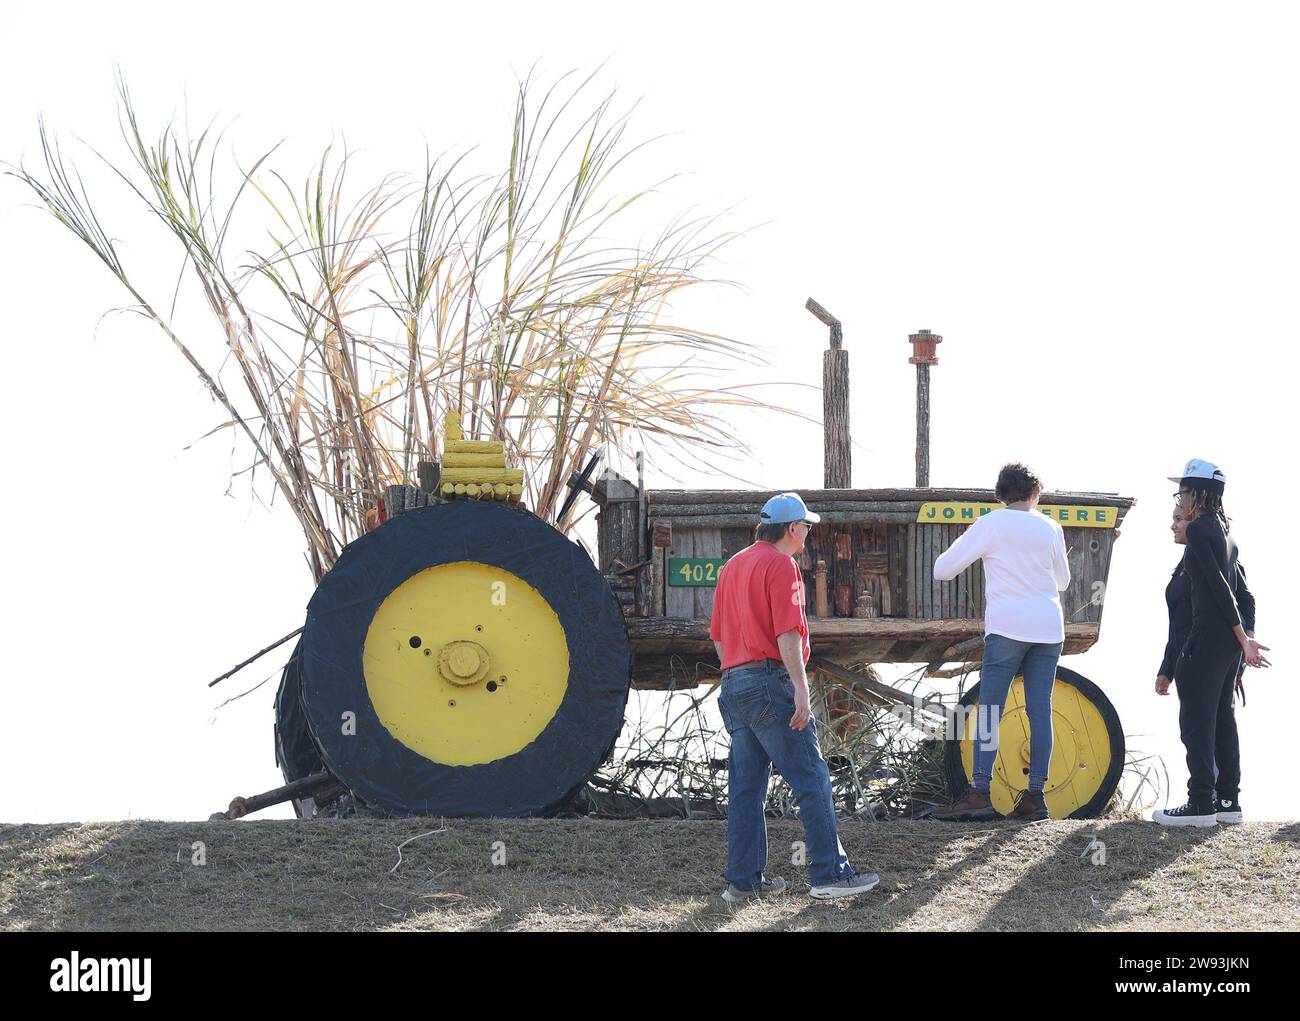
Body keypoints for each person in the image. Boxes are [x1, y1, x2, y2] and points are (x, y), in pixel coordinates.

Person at [709, 491, 879, 902]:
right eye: (806, 525)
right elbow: (787, 633)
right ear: (790, 528)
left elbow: (717, 636)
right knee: (811, 777)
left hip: (733, 682)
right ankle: (828, 874)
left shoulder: (733, 566)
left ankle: (743, 881)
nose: (808, 531)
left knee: (747, 787)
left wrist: (738, 672)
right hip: (770, 681)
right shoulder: (782, 565)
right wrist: (800, 689)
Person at [931, 464, 1070, 822]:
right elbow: (1064, 581)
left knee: (991, 707)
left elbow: (942, 569)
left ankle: (979, 793)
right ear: (1034, 494)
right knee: (1040, 710)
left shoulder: (991, 523)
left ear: (1000, 495)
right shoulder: (1051, 527)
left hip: (1007, 626)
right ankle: (1035, 798)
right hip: (1048, 628)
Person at [1152, 459, 1269, 827]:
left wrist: (1243, 640)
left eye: (1182, 493)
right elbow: (1244, 595)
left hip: (1205, 642)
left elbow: (1222, 590)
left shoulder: (1202, 529)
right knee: (1221, 720)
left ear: (1198, 494)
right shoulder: (1223, 531)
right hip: (1223, 647)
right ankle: (1227, 800)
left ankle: (1201, 803)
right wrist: (1242, 642)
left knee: (1196, 723)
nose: (1179, 501)